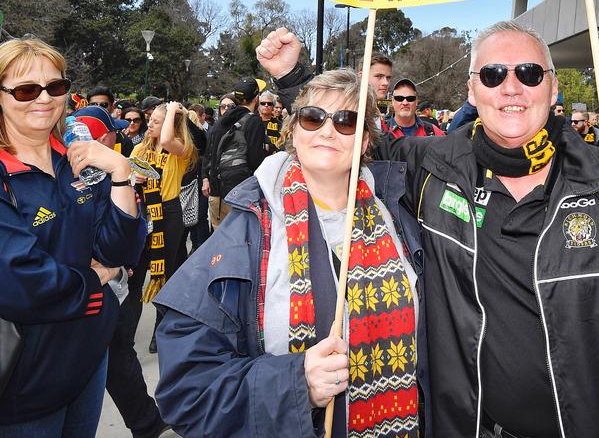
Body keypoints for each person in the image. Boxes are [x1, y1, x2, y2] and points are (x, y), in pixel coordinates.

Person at [258, 23, 599, 438]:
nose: (512, 88)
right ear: (473, 90)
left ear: (553, 88)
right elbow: (340, 144)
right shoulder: (429, 167)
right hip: (466, 423)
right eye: (495, 75)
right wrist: (295, 80)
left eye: (530, 74)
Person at [154, 69, 427, 438]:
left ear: (364, 142)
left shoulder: (398, 217)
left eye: (347, 121)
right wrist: (296, 385)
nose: (328, 130)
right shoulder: (250, 228)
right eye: (314, 118)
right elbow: (187, 389)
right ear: (293, 131)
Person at [0, 38, 145, 437]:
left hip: (87, 360)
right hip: (17, 379)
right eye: (27, 89)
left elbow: (120, 250)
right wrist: (96, 277)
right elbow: (22, 286)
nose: (44, 99)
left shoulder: (81, 163)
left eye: (56, 86)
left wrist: (120, 175)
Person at [74, 107, 172, 438]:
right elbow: (121, 240)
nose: (124, 131)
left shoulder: (102, 170)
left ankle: (148, 423)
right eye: (118, 128)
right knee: (117, 353)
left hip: (100, 285)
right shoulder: (94, 178)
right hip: (95, 291)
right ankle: (149, 425)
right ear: (102, 138)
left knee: (115, 356)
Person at [130, 101, 204, 352]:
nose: (149, 124)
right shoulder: (140, 148)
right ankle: (127, 330)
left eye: (156, 121)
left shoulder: (181, 151)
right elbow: (126, 174)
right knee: (138, 274)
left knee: (166, 274)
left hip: (169, 214)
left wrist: (173, 111)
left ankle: (159, 331)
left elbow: (167, 139)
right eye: (149, 120)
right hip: (144, 213)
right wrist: (133, 177)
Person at [203, 79, 269, 228]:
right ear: (256, 98)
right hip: (239, 194)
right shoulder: (253, 121)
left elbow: (209, 154)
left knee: (220, 243)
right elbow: (255, 161)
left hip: (216, 193)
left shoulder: (221, 121)